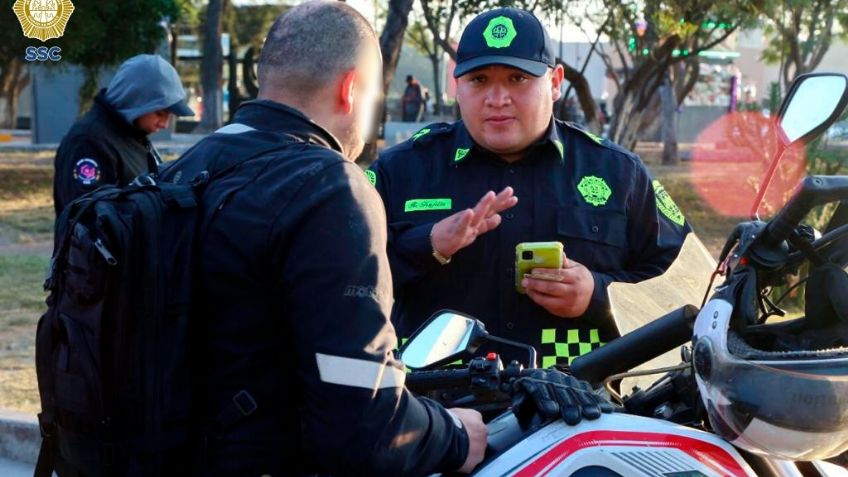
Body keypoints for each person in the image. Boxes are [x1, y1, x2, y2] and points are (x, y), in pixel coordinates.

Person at [157, 2, 487, 475]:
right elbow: (364, 426)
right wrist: (454, 435)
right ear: (351, 90)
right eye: (375, 97)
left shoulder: (184, 170)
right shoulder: (331, 190)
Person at [369, 7, 691, 369]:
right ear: (457, 86)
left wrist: (598, 295)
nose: (497, 98)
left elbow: (688, 288)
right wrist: (427, 245)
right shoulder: (401, 170)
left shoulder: (618, 173)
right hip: (435, 395)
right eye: (478, 80)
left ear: (555, 83)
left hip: (577, 393)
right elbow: (343, 279)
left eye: (518, 78)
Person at [52, 54, 194, 215]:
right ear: (136, 101)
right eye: (160, 113)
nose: (164, 124)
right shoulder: (89, 141)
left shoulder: (132, 134)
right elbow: (88, 216)